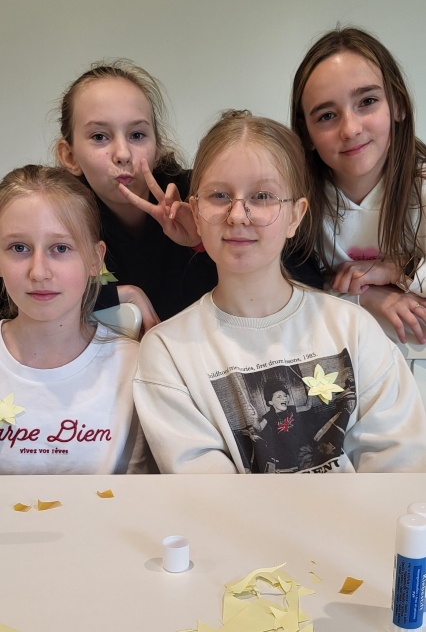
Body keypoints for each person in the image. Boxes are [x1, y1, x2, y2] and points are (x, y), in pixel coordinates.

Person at [133, 110, 426, 474]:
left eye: (262, 196)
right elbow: (208, 493)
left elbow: (400, 464)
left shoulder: (355, 328)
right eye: (220, 195)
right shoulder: (167, 351)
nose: (238, 215)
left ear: (296, 216)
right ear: (195, 212)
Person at [55, 59, 322, 323]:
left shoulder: (205, 197)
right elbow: (30, 299)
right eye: (99, 137)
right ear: (69, 155)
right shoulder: (60, 218)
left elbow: (307, 280)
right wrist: (119, 296)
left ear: (157, 148)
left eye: (137, 135)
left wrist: (204, 241)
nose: (123, 154)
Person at [0, 164, 153, 474]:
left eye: (60, 248)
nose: (38, 272)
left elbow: (140, 486)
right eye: (19, 248)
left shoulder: (135, 365)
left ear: (95, 259)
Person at [290, 26, 426, 345]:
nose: (350, 129)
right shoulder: (295, 202)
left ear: (398, 105)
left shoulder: (421, 186)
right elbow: (284, 291)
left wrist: (399, 271)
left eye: (367, 101)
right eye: (327, 116)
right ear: (306, 134)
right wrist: (366, 296)